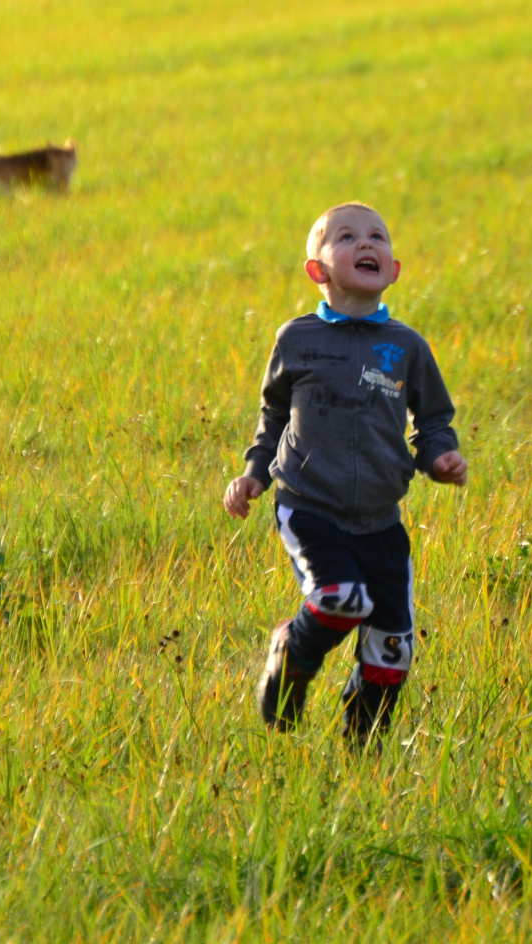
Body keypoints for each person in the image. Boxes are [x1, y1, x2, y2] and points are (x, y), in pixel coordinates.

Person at [224, 202, 469, 746]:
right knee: (340, 597)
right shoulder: (297, 340)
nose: (366, 243)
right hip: (310, 507)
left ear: (393, 269)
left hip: (380, 520)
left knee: (392, 649)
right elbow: (273, 416)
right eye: (347, 237)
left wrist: (440, 457)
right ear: (318, 270)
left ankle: (363, 753)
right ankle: (291, 655)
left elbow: (432, 420)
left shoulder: (407, 347)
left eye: (378, 236)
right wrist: (254, 474)